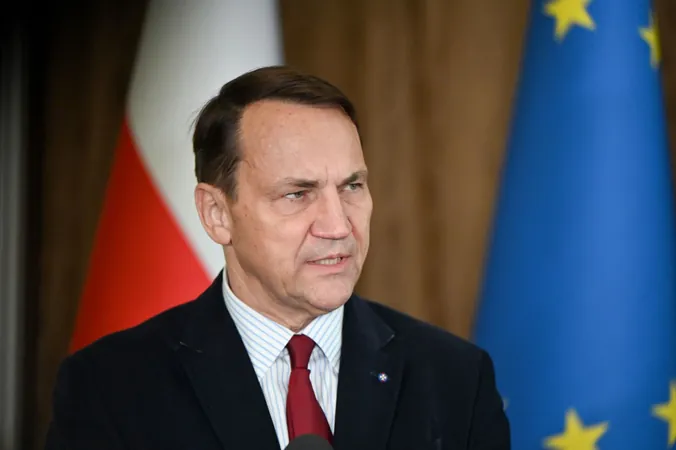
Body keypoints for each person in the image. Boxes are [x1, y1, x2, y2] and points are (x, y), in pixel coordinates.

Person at [44, 66, 510, 450]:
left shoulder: (455, 378)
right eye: (297, 194)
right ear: (217, 214)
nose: (338, 225)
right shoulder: (110, 387)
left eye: (352, 186)